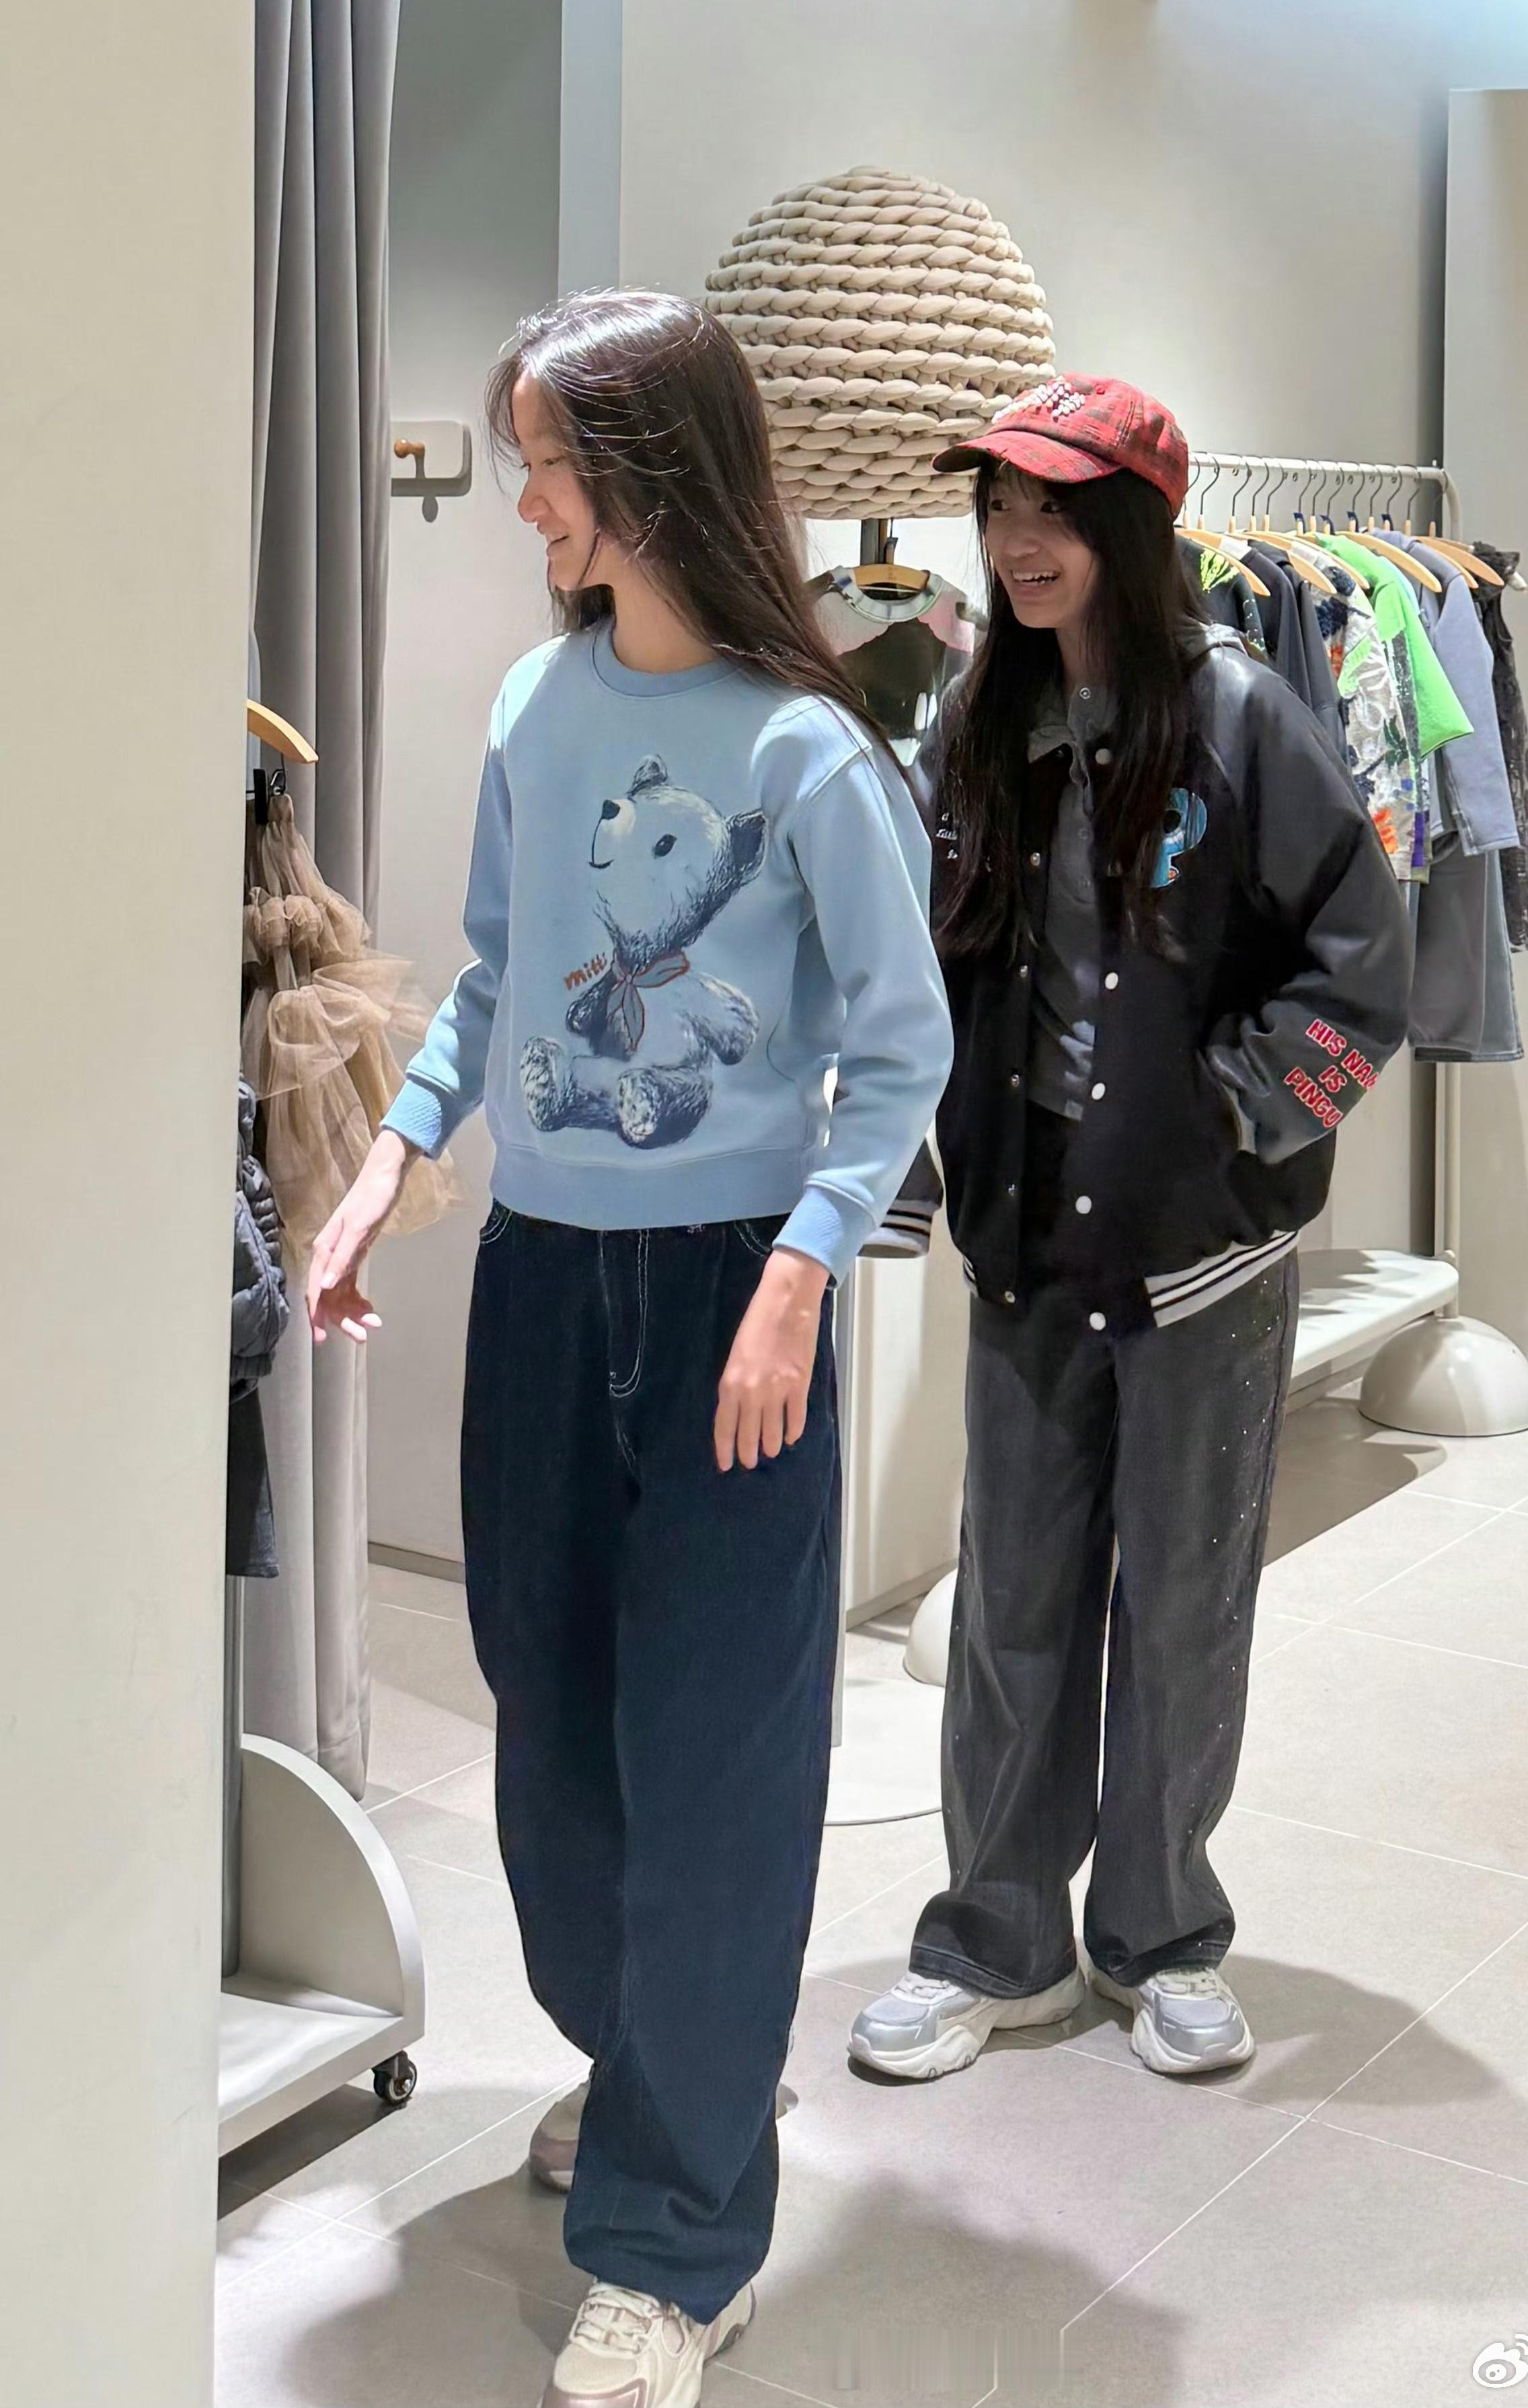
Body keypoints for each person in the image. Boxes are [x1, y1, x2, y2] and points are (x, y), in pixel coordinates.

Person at [306, 291, 951, 2408]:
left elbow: (899, 1053)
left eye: (549, 467)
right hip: (543, 1286)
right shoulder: (533, 703)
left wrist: (802, 1269)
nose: (526, 505)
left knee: (714, 1758)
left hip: (729, 1296)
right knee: (551, 1724)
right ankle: (669, 2061)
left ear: (649, 476)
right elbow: (502, 980)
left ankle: (677, 2241)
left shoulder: (806, 750)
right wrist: (387, 1154)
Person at [847, 377, 1412, 2084]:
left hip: (1198, 1254)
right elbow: (922, 957)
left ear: (1128, 527)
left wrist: (1232, 1113)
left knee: (1179, 1603)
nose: (1017, 541)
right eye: (998, 509)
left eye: (1053, 510)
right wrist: (919, 1158)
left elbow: (1365, 965)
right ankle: (993, 1937)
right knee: (1012, 1599)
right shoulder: (976, 716)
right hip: (1027, 1238)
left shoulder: (1242, 714)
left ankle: (1161, 1932)